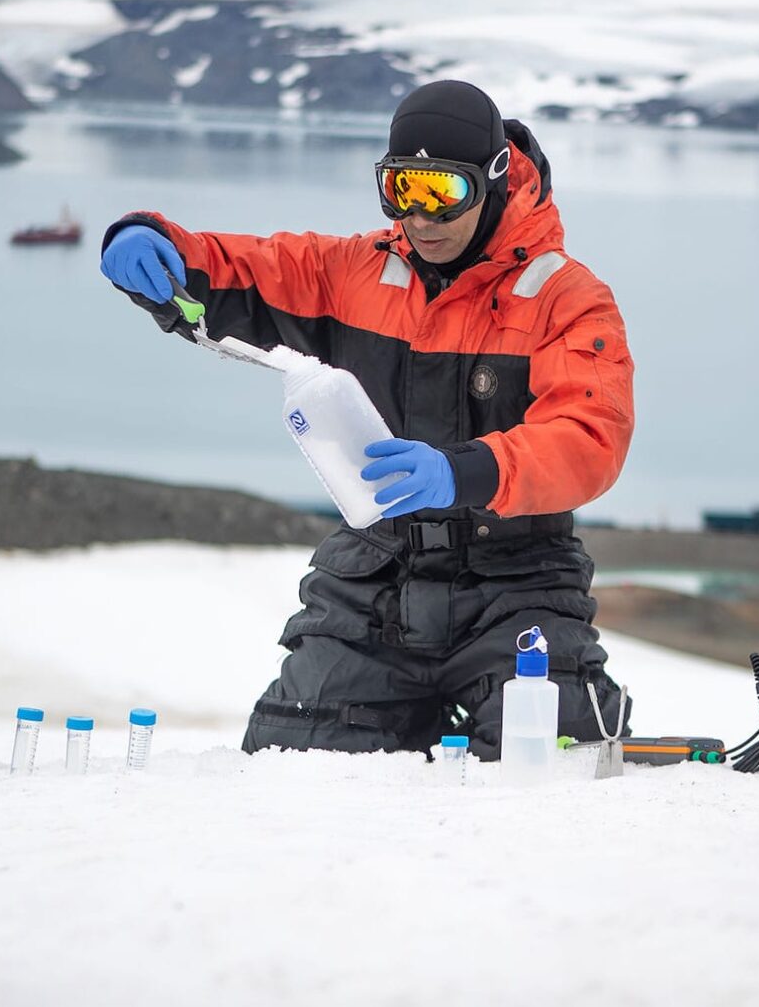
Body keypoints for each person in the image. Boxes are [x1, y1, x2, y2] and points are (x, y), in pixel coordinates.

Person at [98, 80, 635, 758]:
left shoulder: (566, 298)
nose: (420, 216)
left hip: (518, 580)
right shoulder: (354, 272)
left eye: (444, 192)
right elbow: (250, 270)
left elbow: (591, 437)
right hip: (377, 571)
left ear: (493, 181)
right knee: (293, 761)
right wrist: (157, 242)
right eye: (401, 189)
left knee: (552, 762)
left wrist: (469, 471)